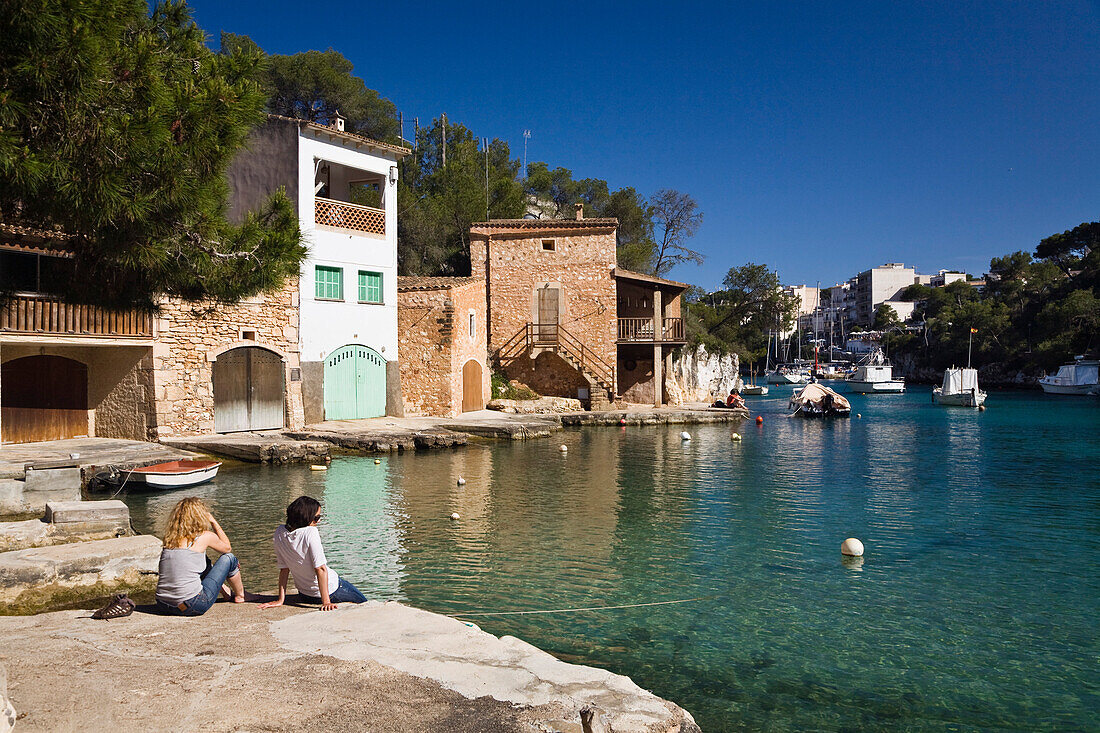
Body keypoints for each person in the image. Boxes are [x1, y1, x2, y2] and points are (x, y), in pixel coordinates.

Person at [260, 496, 367, 611]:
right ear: (306, 517)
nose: (318, 521)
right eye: (316, 518)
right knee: (364, 603)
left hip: (305, 595)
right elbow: (320, 568)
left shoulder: (279, 532)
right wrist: (326, 602)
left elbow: (284, 568)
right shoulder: (310, 532)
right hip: (332, 590)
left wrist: (281, 599)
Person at [155, 497, 246, 616]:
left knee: (203, 561)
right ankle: (240, 596)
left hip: (163, 604)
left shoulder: (170, 540)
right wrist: (213, 522)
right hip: (191, 605)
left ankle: (226, 593)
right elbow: (227, 548)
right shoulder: (204, 536)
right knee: (229, 558)